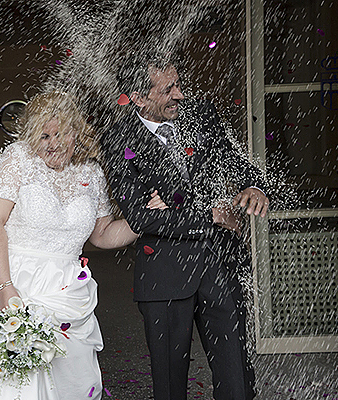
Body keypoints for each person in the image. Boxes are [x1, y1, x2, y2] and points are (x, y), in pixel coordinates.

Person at [0, 91, 168, 400]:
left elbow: (101, 234)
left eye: (61, 133)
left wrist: (144, 220)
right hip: (11, 275)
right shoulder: (18, 159)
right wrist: (6, 288)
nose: (53, 142)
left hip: (65, 287)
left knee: (65, 379)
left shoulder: (91, 173)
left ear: (76, 132)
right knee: (5, 383)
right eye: (44, 135)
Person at [100, 51, 270, 400]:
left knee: (237, 379)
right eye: (168, 89)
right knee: (169, 387)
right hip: (163, 278)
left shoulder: (201, 116)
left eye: (178, 84)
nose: (179, 94)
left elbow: (231, 162)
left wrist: (252, 185)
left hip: (218, 267)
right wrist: (210, 214)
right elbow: (141, 216)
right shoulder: (118, 139)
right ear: (138, 97)